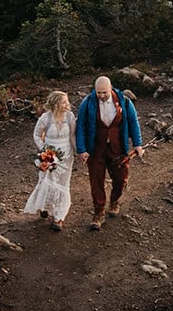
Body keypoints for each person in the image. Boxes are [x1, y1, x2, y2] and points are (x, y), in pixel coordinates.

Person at [75, 75, 143, 230]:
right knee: (96, 180)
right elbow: (81, 127)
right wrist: (82, 149)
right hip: (95, 148)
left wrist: (138, 144)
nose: (101, 95)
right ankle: (98, 212)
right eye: (98, 92)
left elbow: (133, 121)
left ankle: (114, 200)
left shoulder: (124, 101)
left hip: (118, 147)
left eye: (104, 92)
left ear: (111, 88)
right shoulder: (87, 103)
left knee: (121, 178)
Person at [22, 90, 76, 230]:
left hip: (66, 156)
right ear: (56, 103)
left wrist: (79, 151)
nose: (67, 104)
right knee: (46, 181)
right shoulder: (45, 118)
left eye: (67, 101)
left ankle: (59, 217)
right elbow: (37, 135)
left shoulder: (70, 117)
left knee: (63, 184)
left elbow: (72, 136)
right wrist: (44, 150)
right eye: (64, 102)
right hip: (49, 155)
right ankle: (45, 206)